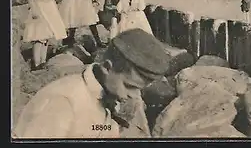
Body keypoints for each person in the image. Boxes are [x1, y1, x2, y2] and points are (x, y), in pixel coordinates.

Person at [12, 29, 173, 139]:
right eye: (130, 86)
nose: (134, 96)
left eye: (139, 89)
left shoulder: (108, 94)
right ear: (107, 68)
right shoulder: (64, 100)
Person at [23, 0, 67, 71]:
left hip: (49, 9)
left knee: (46, 36)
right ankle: (37, 62)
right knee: (39, 37)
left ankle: (43, 61)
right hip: (41, 9)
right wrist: (35, 11)